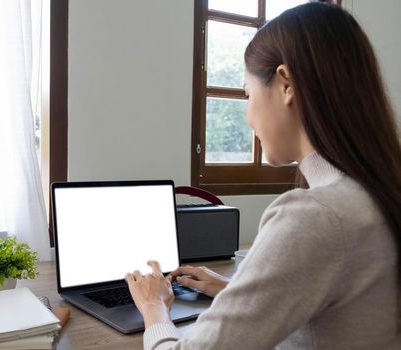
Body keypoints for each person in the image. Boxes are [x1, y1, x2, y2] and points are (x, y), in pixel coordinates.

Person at [125, 3, 401, 349]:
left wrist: (153, 310)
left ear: (286, 85)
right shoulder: (379, 194)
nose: (249, 117)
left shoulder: (315, 217)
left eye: (247, 94)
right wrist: (236, 290)